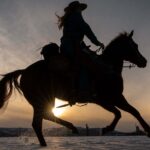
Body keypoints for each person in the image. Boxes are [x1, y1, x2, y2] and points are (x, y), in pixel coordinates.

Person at [57, 1, 105, 103]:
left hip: (66, 46)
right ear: (77, 9)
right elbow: (86, 29)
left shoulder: (69, 18)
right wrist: (98, 43)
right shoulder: (76, 16)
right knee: (85, 64)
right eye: (80, 9)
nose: (81, 11)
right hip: (72, 46)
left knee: (82, 61)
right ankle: (83, 92)